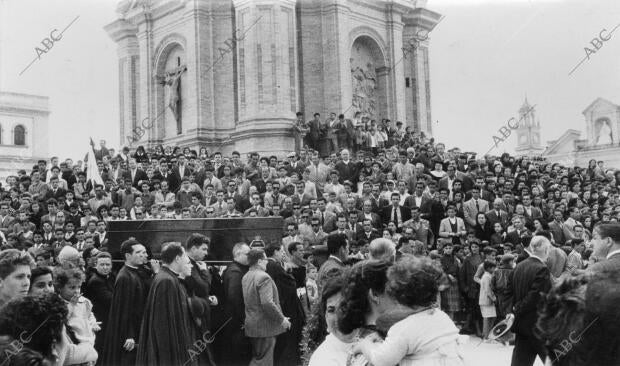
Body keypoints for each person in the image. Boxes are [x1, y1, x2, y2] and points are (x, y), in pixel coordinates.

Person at [352, 256, 465, 366]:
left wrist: (364, 345)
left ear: (399, 296)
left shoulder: (403, 329)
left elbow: (381, 360)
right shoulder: (442, 317)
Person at [137, 242, 195, 366]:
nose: (187, 261)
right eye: (186, 257)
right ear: (178, 258)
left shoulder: (166, 277)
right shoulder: (167, 280)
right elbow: (162, 323)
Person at [101, 238, 153, 366]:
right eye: (139, 253)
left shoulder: (136, 271)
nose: (145, 255)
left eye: (145, 252)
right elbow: (123, 309)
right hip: (129, 334)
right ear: (128, 256)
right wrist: (129, 334)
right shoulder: (125, 276)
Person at [508, 235, 552, 366]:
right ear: (544, 250)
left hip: (521, 325)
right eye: (548, 248)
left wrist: (512, 311)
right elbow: (535, 297)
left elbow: (507, 292)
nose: (549, 252)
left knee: (520, 362)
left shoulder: (518, 266)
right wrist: (517, 308)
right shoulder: (542, 269)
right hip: (537, 326)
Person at [242, 248, 291, 366]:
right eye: (265, 260)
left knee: (259, 358)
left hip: (253, 326)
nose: (267, 262)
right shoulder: (264, 277)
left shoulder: (246, 276)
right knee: (264, 361)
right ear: (259, 261)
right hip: (265, 328)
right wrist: (282, 319)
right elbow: (267, 303)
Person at [264, 244, 305, 366]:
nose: (283, 253)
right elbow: (291, 285)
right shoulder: (275, 266)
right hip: (287, 308)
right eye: (281, 251)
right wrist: (289, 271)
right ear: (274, 252)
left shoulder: (268, 265)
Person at [220, 243, 251, 366]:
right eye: (247, 254)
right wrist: (244, 319)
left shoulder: (235, 269)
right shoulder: (235, 272)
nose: (250, 256)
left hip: (234, 321)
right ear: (238, 254)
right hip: (236, 322)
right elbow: (234, 298)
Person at [83, 251, 115, 357]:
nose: (105, 267)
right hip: (99, 320)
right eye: (102, 264)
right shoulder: (96, 281)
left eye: (108, 265)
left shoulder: (109, 277)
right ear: (96, 265)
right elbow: (110, 299)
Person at [479, 260, 497, 341]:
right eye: (493, 267)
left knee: (491, 317)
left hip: (487, 300)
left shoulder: (488, 275)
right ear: (489, 268)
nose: (494, 269)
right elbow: (487, 290)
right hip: (486, 301)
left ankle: (487, 335)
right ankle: (486, 337)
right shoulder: (486, 277)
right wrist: (494, 298)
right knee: (487, 318)